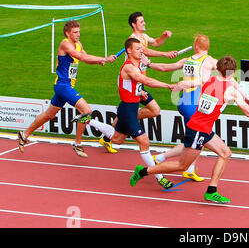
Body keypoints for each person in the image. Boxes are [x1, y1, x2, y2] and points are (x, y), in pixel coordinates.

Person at [130, 55, 249, 204]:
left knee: (225, 153)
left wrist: (180, 85)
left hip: (202, 127)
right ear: (233, 72)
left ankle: (212, 191)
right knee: (182, 165)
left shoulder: (209, 80)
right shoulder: (231, 91)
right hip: (199, 130)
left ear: (217, 69)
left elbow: (197, 82)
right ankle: (143, 171)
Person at [73, 38, 178, 189]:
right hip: (128, 110)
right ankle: (159, 177)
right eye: (137, 49)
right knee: (144, 142)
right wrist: (167, 85)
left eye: (141, 48)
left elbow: (134, 83)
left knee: (117, 139)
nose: (141, 51)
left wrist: (138, 92)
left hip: (128, 107)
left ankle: (89, 120)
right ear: (129, 51)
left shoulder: (137, 64)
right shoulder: (129, 67)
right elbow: (145, 79)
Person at [17, 20, 116, 157]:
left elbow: (85, 57)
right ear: (67, 33)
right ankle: (78, 144)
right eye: (75, 32)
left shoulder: (78, 44)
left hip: (66, 87)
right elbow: (79, 56)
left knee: (49, 115)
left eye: (79, 32)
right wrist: (104, 58)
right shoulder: (65, 44)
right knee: (86, 111)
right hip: (63, 86)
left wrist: (99, 61)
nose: (78, 34)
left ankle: (24, 134)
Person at [99, 11, 184, 154]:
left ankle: (111, 133)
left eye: (144, 21)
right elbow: (146, 51)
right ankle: (115, 128)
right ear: (134, 24)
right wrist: (166, 54)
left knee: (153, 111)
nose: (144, 23)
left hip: (139, 83)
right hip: (133, 81)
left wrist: (164, 36)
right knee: (151, 110)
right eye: (141, 21)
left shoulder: (144, 36)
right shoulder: (133, 40)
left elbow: (156, 43)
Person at [153, 33, 218, 182]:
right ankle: (160, 158)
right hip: (195, 103)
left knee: (194, 139)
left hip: (184, 101)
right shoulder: (209, 61)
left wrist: (149, 64)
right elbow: (225, 69)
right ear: (207, 46)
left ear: (196, 46)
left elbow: (165, 67)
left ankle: (190, 169)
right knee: (197, 140)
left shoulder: (187, 60)